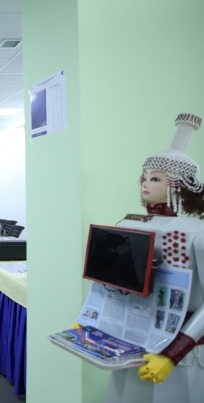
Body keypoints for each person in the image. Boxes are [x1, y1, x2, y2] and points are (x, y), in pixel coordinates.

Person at [105, 113, 204, 403]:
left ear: (179, 184)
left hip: (182, 347)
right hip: (133, 336)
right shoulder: (128, 225)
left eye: (156, 178)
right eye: (145, 177)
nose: (145, 184)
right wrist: (94, 322)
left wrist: (175, 353)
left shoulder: (198, 234)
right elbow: (112, 283)